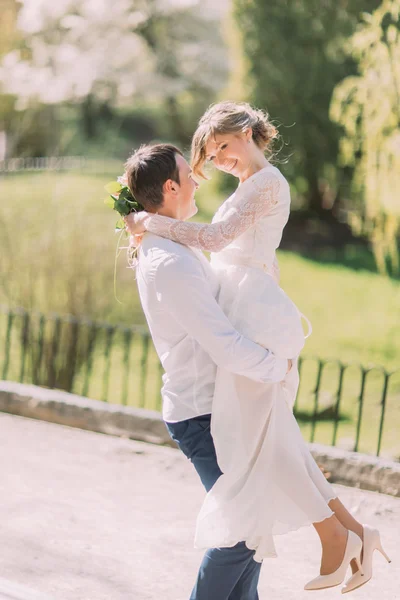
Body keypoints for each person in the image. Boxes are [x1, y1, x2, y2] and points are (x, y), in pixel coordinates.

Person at [124, 102, 390, 594]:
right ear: (170, 187)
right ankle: (346, 532)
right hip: (224, 359)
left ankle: (345, 533)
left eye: (222, 146)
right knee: (251, 510)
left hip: (246, 323)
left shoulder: (265, 184)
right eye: (205, 159)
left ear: (247, 133)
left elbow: (219, 238)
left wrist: (151, 223)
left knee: (260, 493)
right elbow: (225, 253)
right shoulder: (179, 253)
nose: (213, 165)